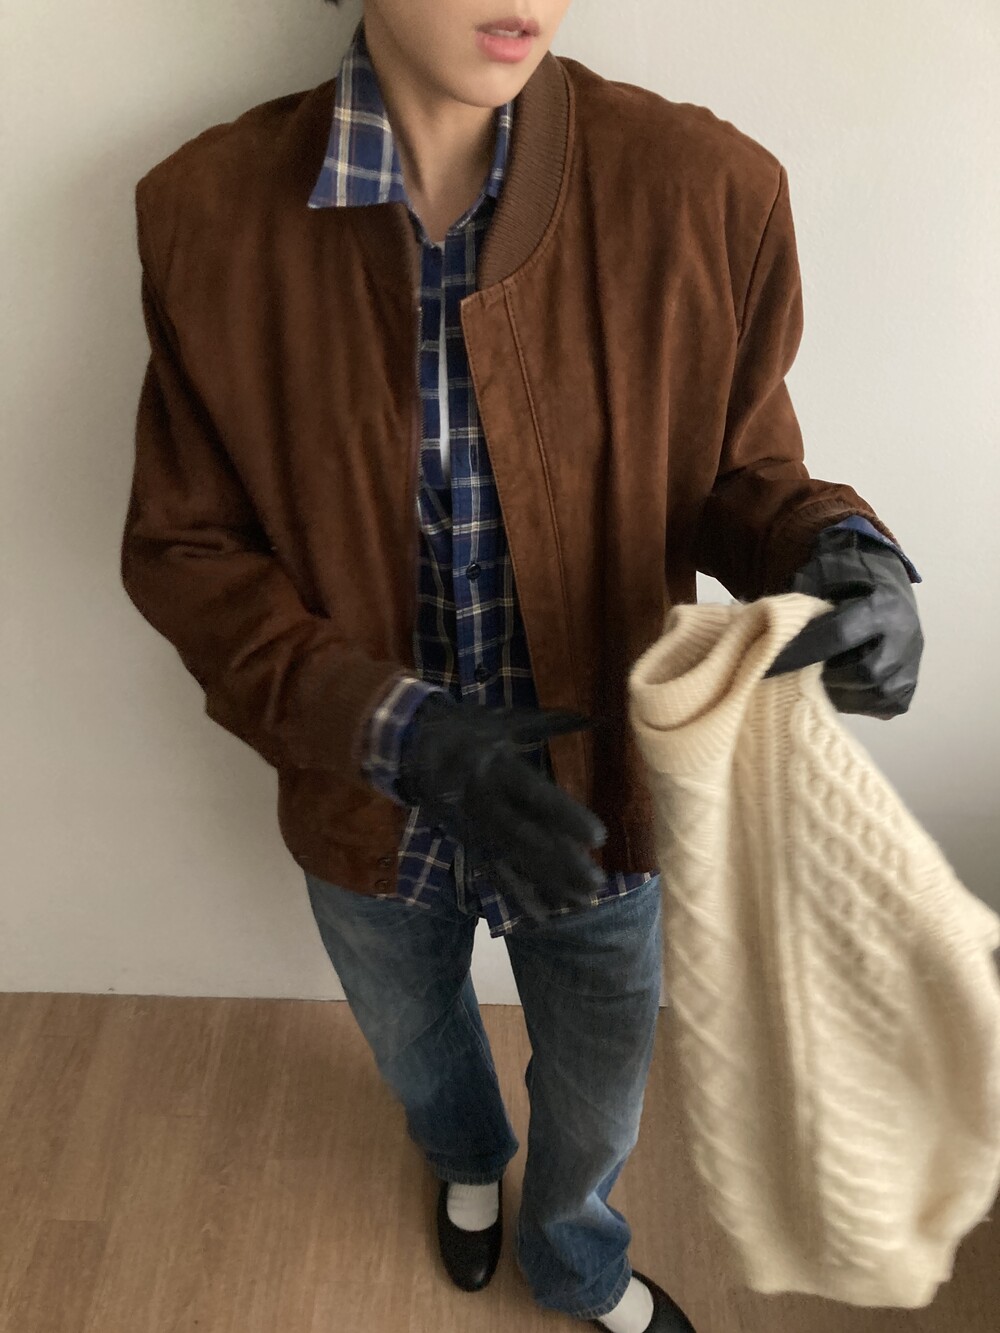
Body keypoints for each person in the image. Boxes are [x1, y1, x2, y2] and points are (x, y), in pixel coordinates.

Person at [121, 2, 924, 1329]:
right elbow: (186, 547)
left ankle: (576, 1256)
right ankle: (462, 1163)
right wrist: (392, 726)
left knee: (602, 1083)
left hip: (599, 797)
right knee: (416, 1039)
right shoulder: (204, 215)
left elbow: (739, 472)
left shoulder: (707, 190)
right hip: (372, 802)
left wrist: (841, 552)